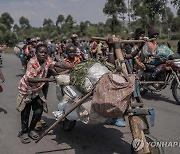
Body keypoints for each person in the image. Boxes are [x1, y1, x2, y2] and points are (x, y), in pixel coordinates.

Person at [16, 44, 72, 144]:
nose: (43, 54)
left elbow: (58, 64)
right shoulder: (32, 62)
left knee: (38, 110)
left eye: (45, 53)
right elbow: (30, 79)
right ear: (36, 53)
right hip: (27, 89)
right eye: (41, 52)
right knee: (25, 112)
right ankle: (24, 132)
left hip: (37, 89)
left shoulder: (47, 60)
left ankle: (32, 129)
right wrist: (48, 79)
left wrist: (71, 67)